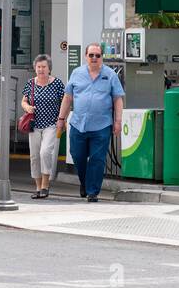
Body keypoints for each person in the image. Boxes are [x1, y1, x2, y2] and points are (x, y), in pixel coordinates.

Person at [57, 43, 124, 203]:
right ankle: (85, 182)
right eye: (91, 55)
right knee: (77, 156)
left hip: (101, 125)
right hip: (78, 124)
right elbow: (67, 97)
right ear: (86, 56)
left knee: (97, 159)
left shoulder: (110, 75)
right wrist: (61, 119)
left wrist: (118, 121)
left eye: (97, 55)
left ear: (102, 57)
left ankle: (92, 191)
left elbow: (118, 99)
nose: (94, 58)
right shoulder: (76, 73)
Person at [21, 54, 64, 199]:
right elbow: (24, 101)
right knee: (34, 156)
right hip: (34, 125)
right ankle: (38, 187)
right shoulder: (30, 84)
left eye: (44, 67)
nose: (41, 70)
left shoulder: (57, 83)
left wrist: (62, 120)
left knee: (45, 152)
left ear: (49, 68)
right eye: (38, 67)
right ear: (35, 68)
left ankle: (46, 184)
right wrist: (27, 108)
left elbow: (65, 102)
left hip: (51, 124)